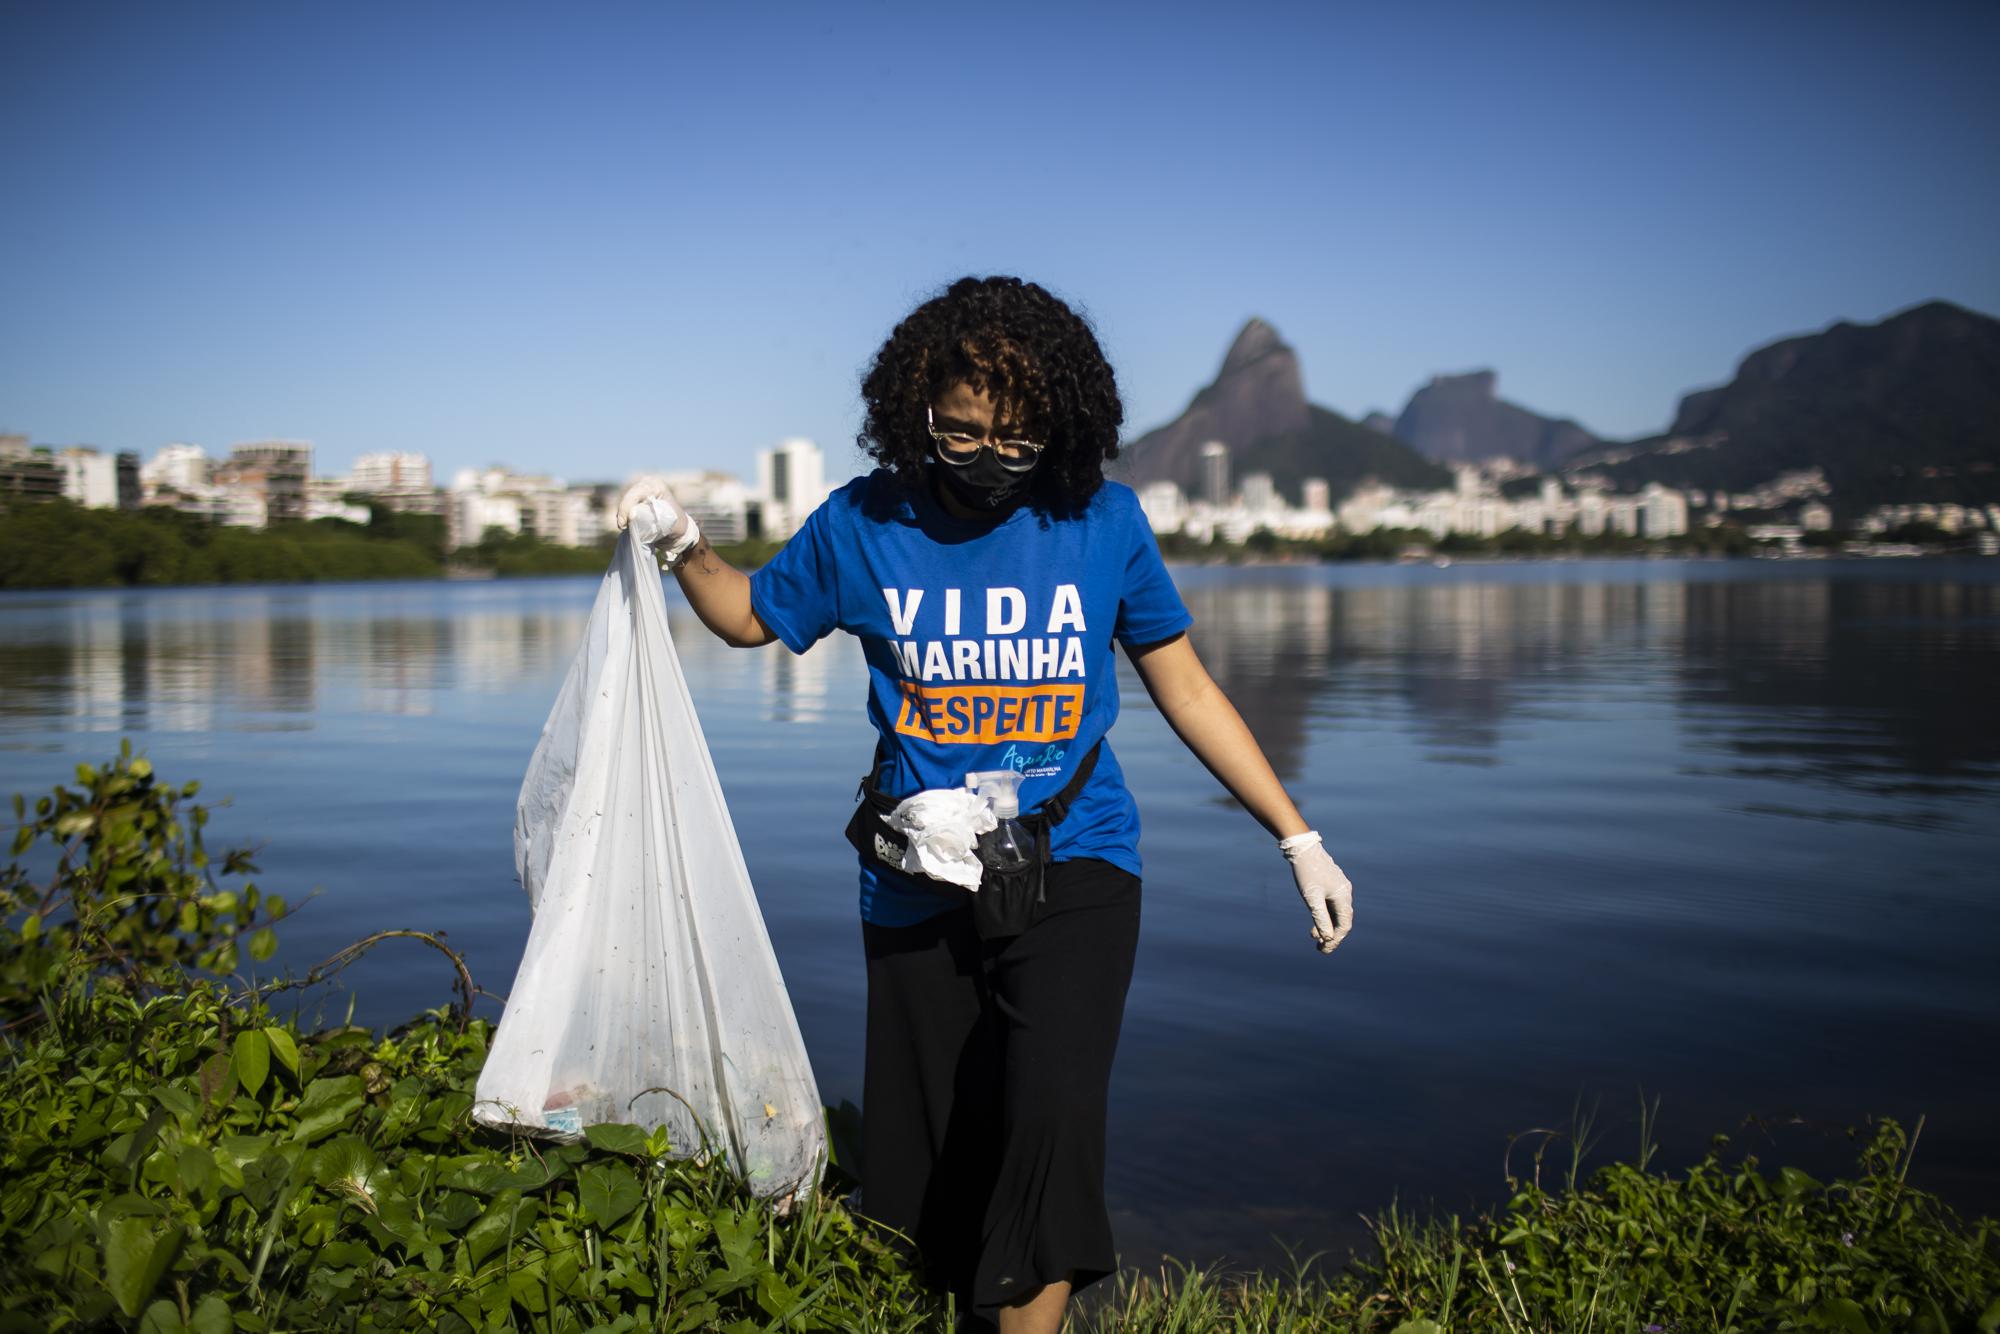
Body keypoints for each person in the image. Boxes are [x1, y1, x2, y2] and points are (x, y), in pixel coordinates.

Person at [615, 275, 1353, 1333]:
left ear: (1060, 423)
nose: (987, 463)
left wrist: (1298, 835)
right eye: (958, 436)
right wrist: (684, 543)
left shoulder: (1100, 520)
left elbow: (1183, 684)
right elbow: (745, 619)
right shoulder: (862, 523)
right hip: (917, 878)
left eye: (1016, 440)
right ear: (915, 408)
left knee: (1045, 1121)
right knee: (941, 1159)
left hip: (1077, 856)